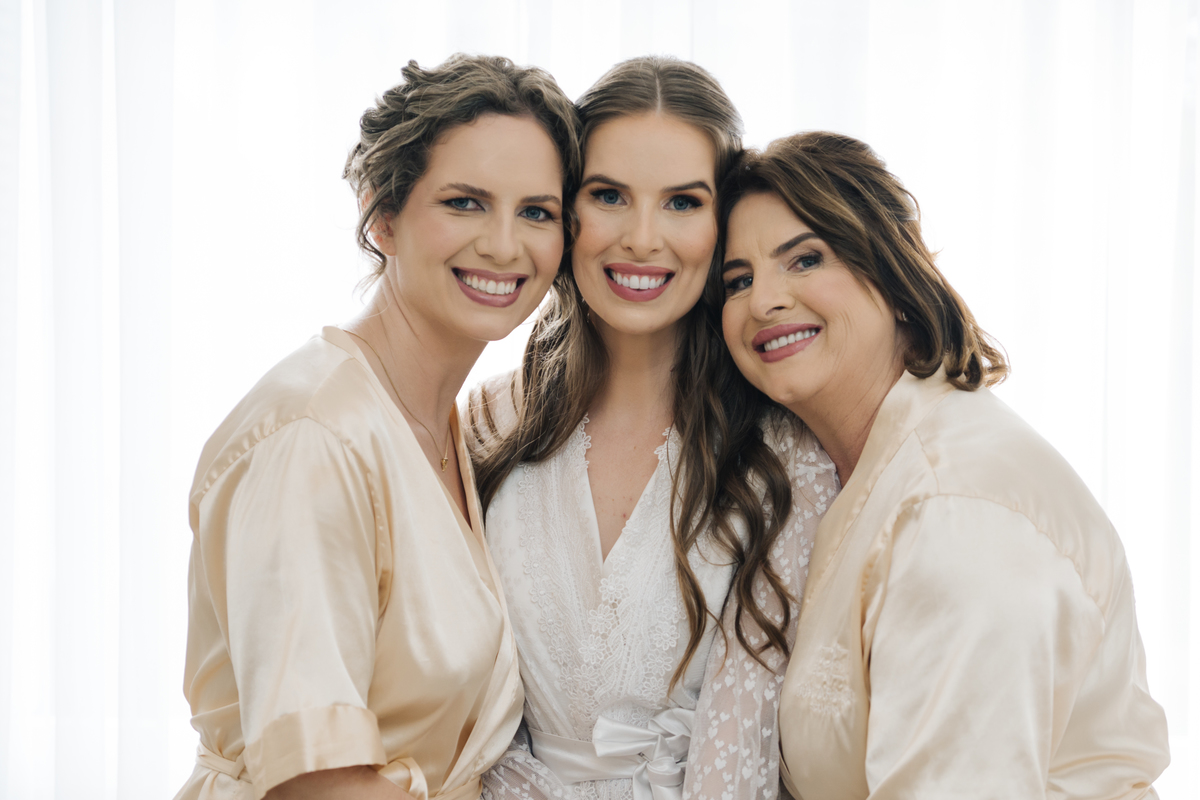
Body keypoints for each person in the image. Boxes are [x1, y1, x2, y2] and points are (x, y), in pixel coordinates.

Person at [174, 54, 581, 800]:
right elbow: (318, 783)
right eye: (465, 202)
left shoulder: (445, 422)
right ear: (383, 216)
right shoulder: (313, 436)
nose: (504, 244)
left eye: (536, 212)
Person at [718, 131, 1170, 798]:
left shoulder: (955, 511)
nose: (763, 301)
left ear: (895, 277)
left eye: (806, 259)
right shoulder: (844, 476)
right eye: (738, 280)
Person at [468, 57, 838, 800]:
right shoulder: (485, 424)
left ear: (722, 223)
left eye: (682, 202)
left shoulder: (786, 455)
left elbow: (746, 748)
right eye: (609, 195)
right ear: (565, 209)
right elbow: (460, 713)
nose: (642, 238)